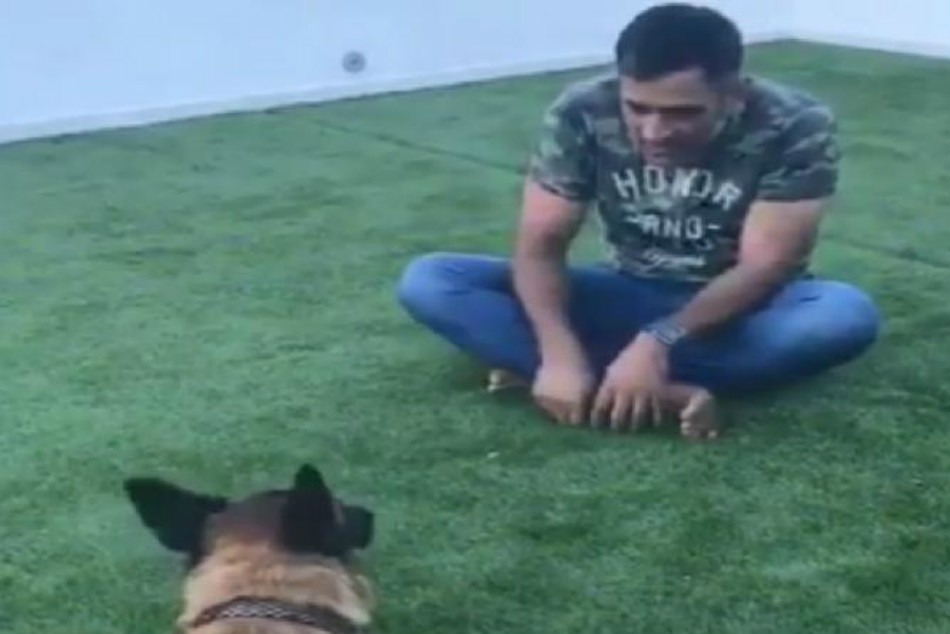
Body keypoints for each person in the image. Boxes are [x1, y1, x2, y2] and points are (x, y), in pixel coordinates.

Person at [396, 3, 880, 439]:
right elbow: (541, 245)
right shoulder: (582, 110)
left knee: (843, 315)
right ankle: (652, 389)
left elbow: (765, 267)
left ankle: (592, 375)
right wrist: (558, 352)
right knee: (433, 280)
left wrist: (658, 340)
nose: (654, 132)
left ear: (733, 94)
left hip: (743, 309)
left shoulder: (794, 122)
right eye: (638, 108)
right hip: (626, 287)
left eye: (681, 114)